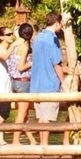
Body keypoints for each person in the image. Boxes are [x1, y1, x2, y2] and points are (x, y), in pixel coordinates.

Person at [30, 13, 65, 146]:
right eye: (60, 24)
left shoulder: (38, 37)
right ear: (56, 23)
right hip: (49, 83)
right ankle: (44, 145)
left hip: (36, 83)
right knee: (47, 118)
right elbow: (56, 63)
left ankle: (42, 143)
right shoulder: (52, 39)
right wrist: (63, 81)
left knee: (41, 117)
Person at [8, 23, 36, 146]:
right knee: (21, 113)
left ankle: (32, 140)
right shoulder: (24, 47)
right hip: (23, 81)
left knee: (25, 114)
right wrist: (32, 63)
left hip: (14, 81)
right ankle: (15, 140)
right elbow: (21, 67)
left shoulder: (14, 45)